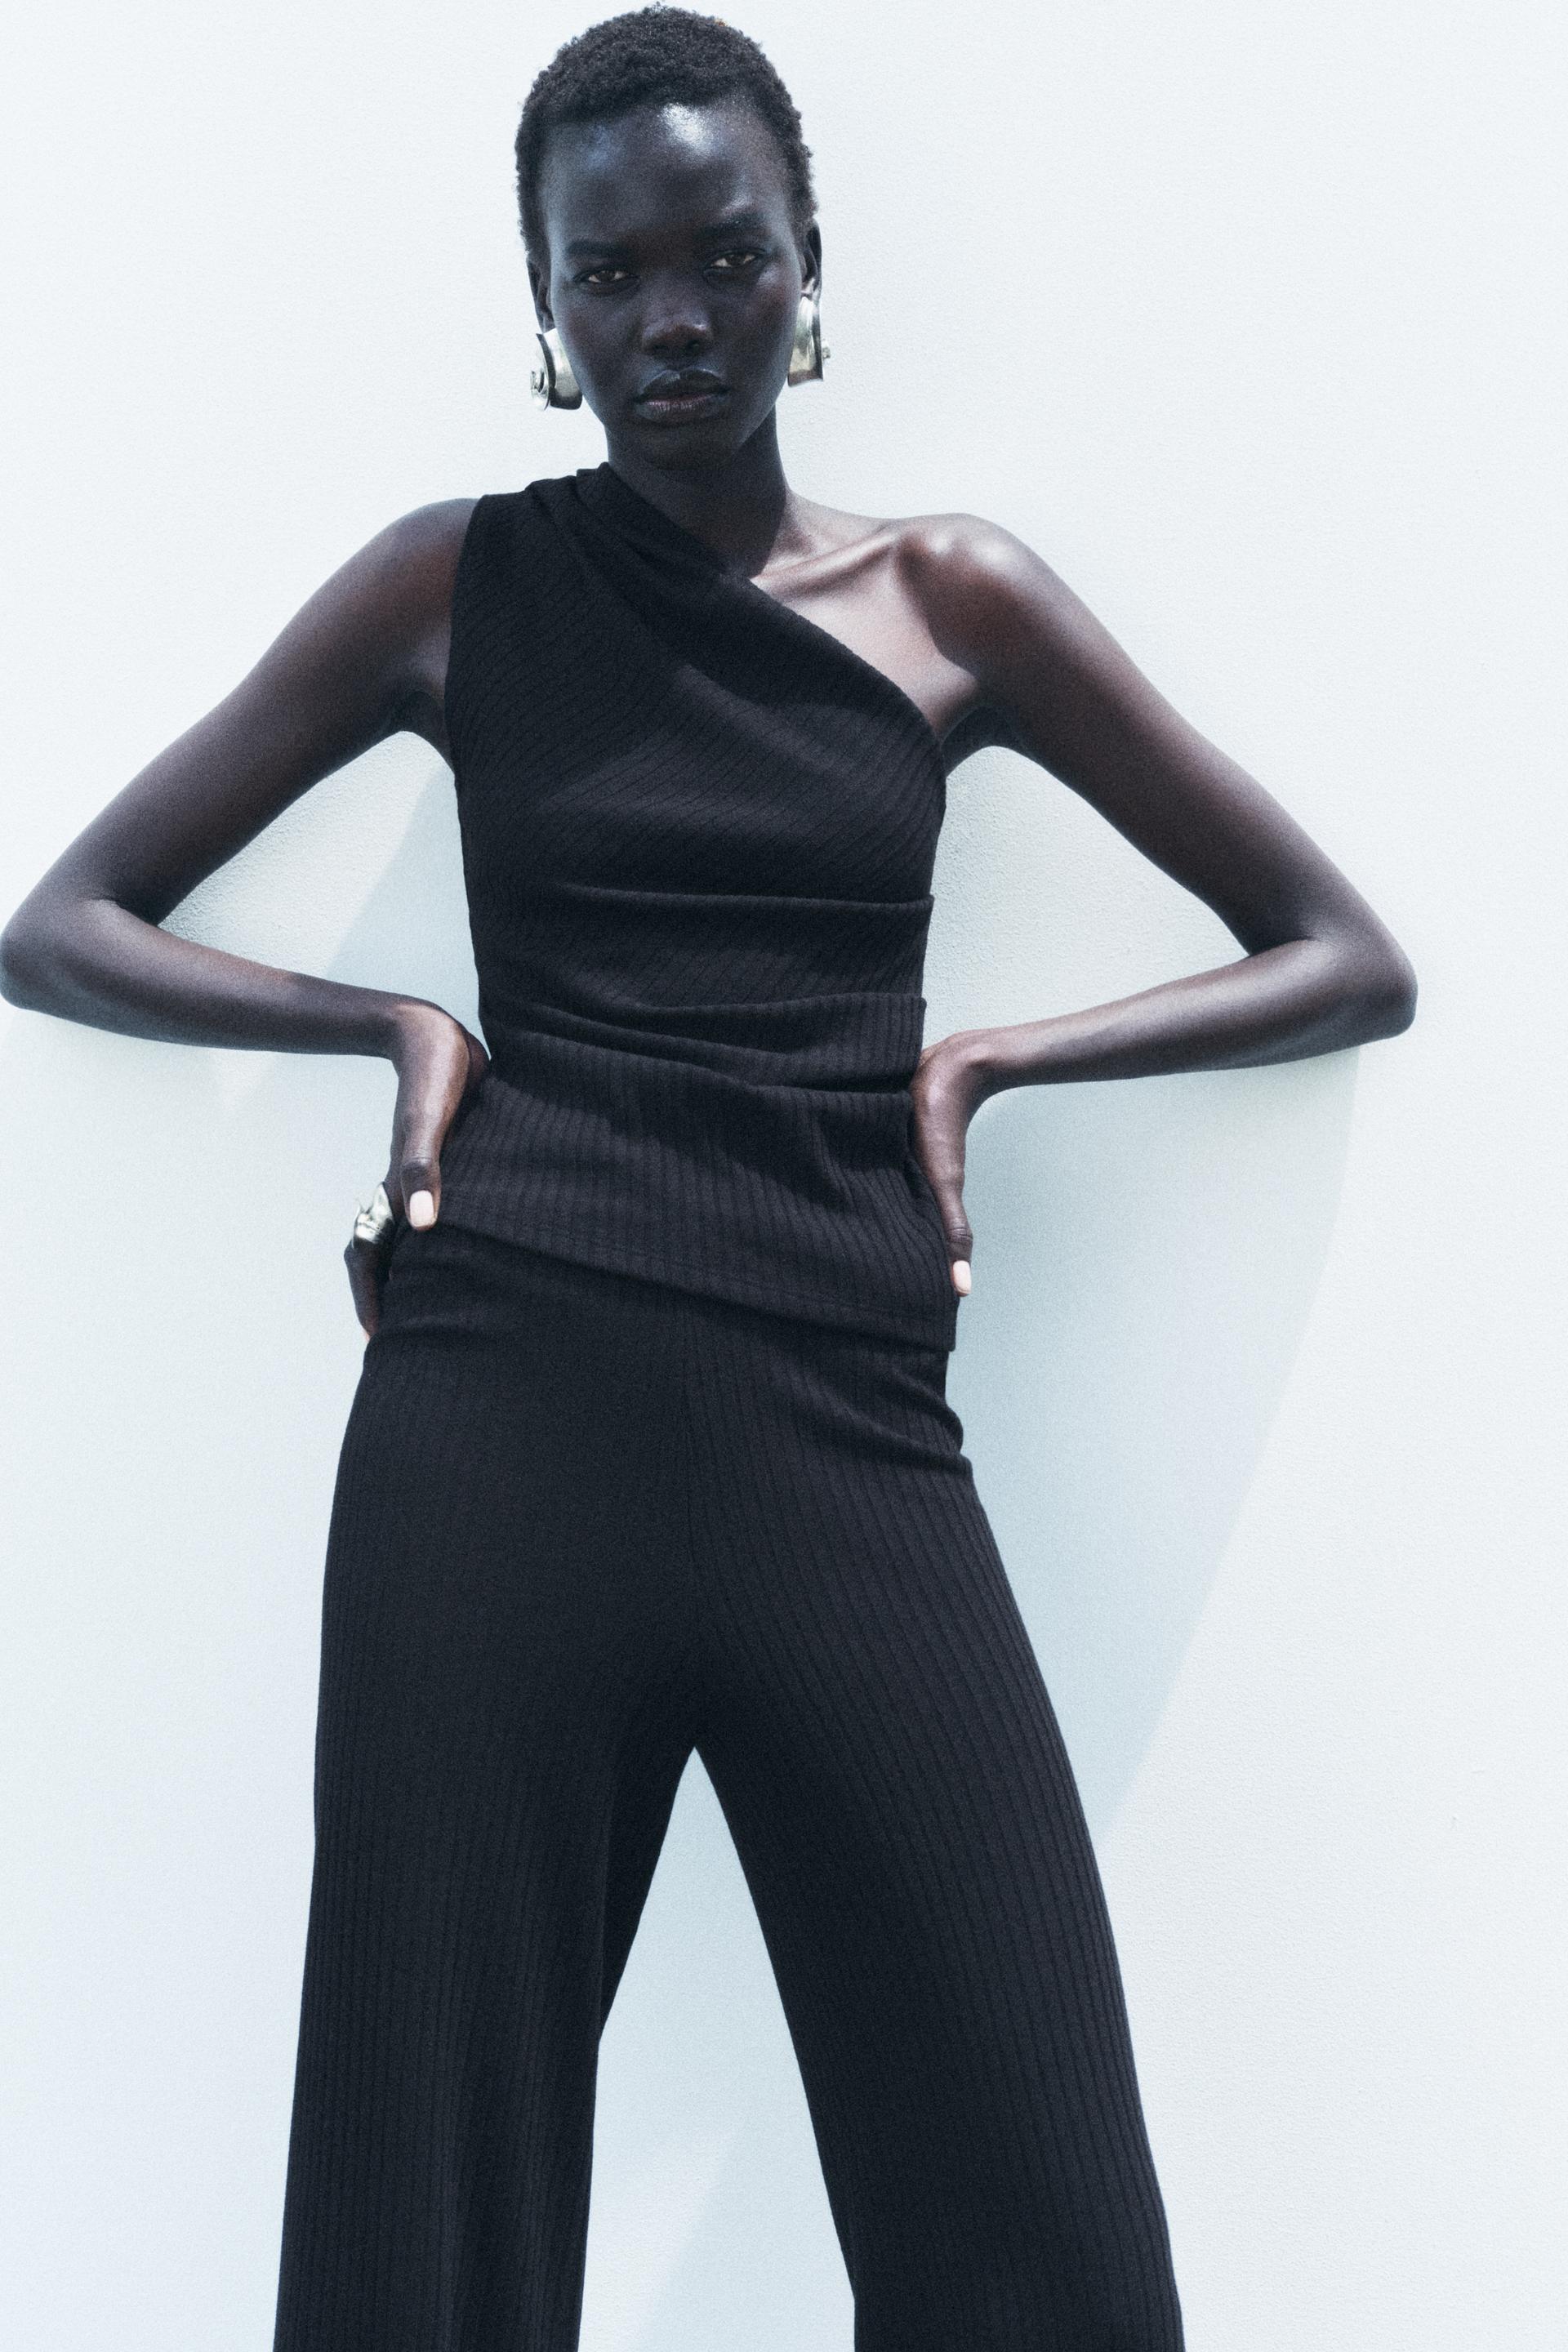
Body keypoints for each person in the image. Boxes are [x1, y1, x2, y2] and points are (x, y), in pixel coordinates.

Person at [0, 9, 1416, 2347]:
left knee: (1033, 2184)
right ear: (546, 309)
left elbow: (1341, 957)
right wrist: (398, 1026)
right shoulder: (451, 587)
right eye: (613, 274)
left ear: (809, 266)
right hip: (499, 1411)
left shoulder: (953, 599)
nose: (674, 319)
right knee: (426, 2169)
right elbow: (64, 924)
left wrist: (991, 1063)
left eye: (726, 257)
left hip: (846, 1411)